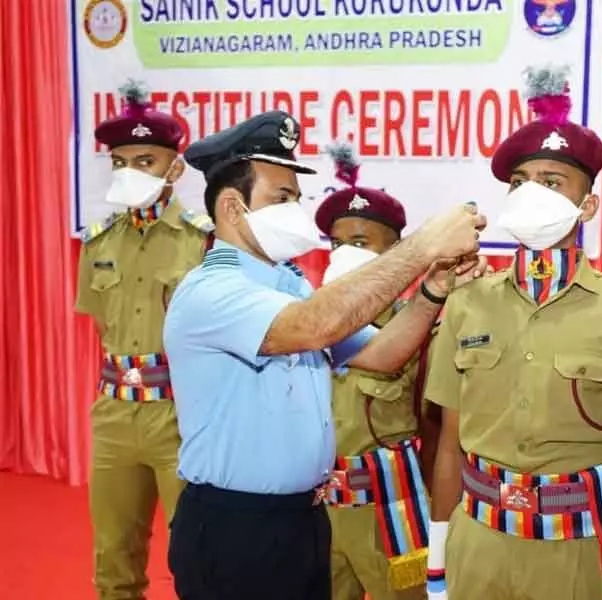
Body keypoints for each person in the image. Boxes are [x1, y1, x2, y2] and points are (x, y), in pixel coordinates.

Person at [162, 110, 487, 600]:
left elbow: (381, 353)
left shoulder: (289, 285)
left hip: (304, 520)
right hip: (236, 529)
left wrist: (432, 292)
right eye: (281, 197)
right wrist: (421, 247)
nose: (295, 209)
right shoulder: (211, 291)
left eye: (296, 196)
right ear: (232, 209)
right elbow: (315, 326)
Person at [424, 65, 602, 600]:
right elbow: (447, 445)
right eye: (519, 182)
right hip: (479, 538)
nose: (530, 193)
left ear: (588, 205)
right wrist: (438, 563)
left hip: (581, 545)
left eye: (552, 182)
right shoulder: (465, 301)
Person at [75, 79, 213, 600]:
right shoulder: (99, 242)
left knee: (193, 558)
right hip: (113, 413)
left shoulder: (202, 240)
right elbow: (100, 325)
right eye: (120, 162)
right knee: (113, 559)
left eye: (145, 161)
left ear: (175, 169)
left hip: (180, 415)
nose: (130, 173)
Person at [313, 142, 437, 600]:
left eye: (361, 243)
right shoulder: (308, 323)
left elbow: (437, 422)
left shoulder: (419, 328)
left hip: (392, 506)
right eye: (338, 243)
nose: (345, 253)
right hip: (321, 505)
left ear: (396, 249)